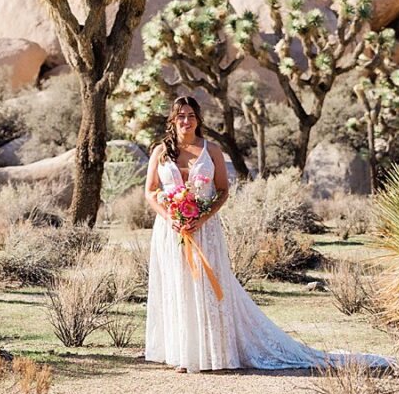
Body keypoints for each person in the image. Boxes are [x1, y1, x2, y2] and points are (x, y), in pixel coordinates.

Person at [143, 94, 386, 373]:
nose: (186, 121)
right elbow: (150, 191)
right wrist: (170, 217)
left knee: (207, 288)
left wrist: (202, 218)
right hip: (170, 230)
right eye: (181, 116)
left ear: (198, 120)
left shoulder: (212, 151)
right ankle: (184, 353)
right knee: (178, 286)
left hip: (205, 231)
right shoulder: (161, 151)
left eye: (191, 116)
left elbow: (222, 191)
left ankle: (212, 353)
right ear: (172, 120)